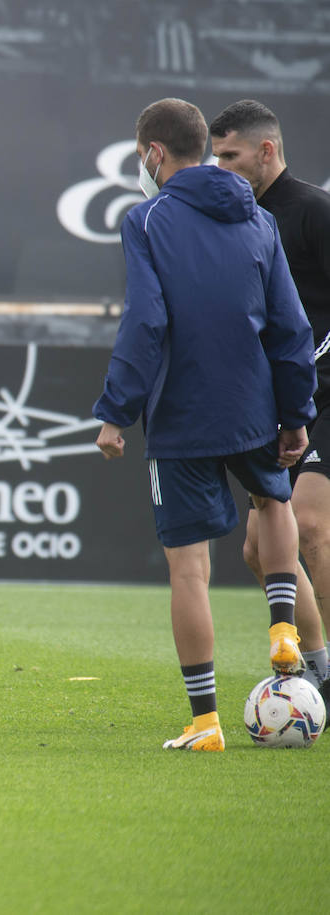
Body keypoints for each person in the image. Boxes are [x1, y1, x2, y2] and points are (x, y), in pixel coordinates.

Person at [93, 98, 315, 751]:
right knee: (273, 501)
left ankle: (205, 722)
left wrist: (115, 411)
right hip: (254, 404)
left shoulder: (146, 220)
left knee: (190, 570)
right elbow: (291, 326)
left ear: (153, 153)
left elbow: (146, 321)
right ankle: (283, 626)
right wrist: (296, 413)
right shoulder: (260, 218)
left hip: (181, 413)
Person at [209, 99, 330, 701]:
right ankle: (319, 671)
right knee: (259, 551)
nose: (221, 167)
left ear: (266, 150)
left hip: (324, 397)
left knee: (308, 526)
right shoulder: (235, 221)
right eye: (214, 156)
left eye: (230, 155)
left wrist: (308, 369)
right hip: (276, 406)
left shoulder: (313, 211)